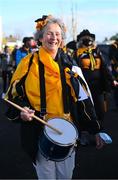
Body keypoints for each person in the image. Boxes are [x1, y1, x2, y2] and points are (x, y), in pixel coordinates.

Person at [5, 16, 108, 180]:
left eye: (58, 34)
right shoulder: (27, 63)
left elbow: (83, 100)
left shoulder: (70, 64)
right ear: (40, 37)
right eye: (49, 33)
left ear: (62, 38)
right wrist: (22, 112)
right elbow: (13, 97)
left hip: (68, 131)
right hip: (38, 130)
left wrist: (95, 129)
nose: (54, 38)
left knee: (66, 176)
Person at [75, 29, 118, 144]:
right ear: (80, 40)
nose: (87, 40)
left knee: (100, 110)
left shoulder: (97, 51)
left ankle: (99, 133)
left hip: (98, 86)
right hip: (84, 87)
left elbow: (104, 67)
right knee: (85, 110)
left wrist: (112, 79)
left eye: (89, 38)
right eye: (85, 38)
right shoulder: (77, 53)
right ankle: (84, 134)